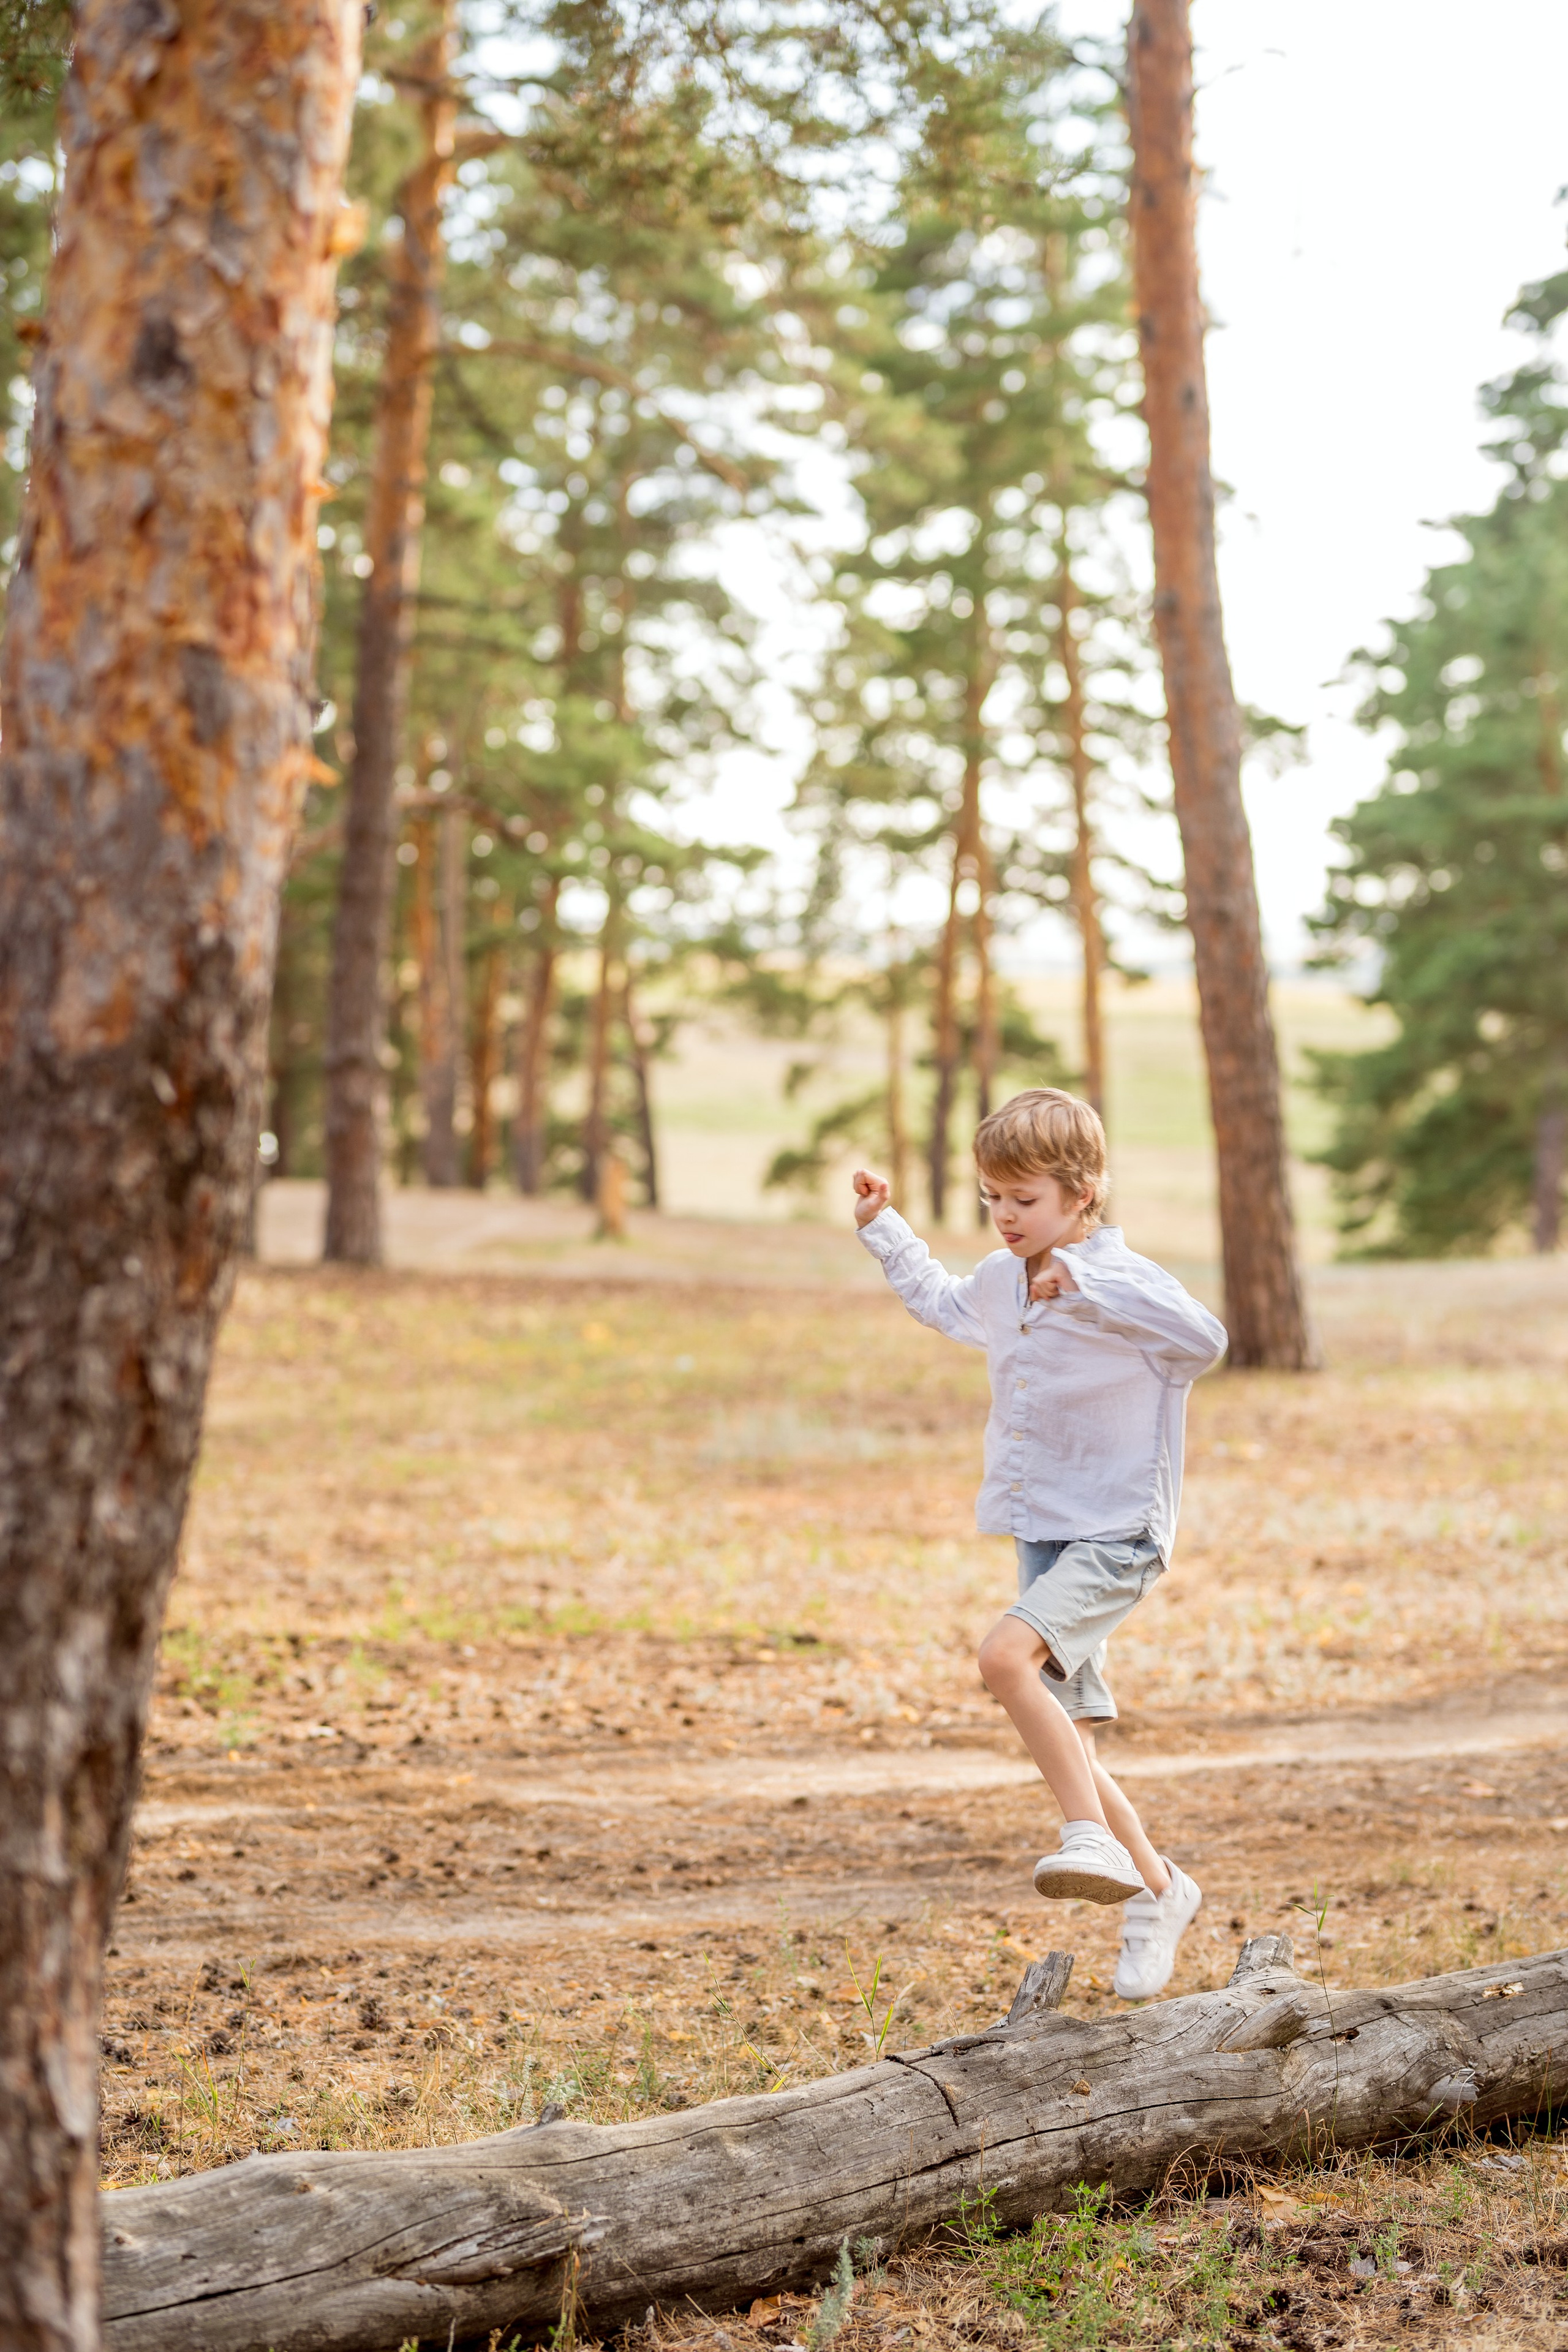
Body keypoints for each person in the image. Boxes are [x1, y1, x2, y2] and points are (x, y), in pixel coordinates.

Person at [852, 1087, 1226, 1999]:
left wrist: (1087, 1281)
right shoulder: (1002, 1278)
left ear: (1082, 1194)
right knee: (1077, 1743)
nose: (1006, 1216)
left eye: (1025, 1200)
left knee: (1002, 1658)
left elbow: (1206, 1340)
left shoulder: (1120, 1282)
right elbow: (945, 1305)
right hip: (1047, 1532)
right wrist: (883, 1225)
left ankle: (1087, 1838)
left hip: (1118, 1529)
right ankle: (1160, 1889)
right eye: (993, 1198)